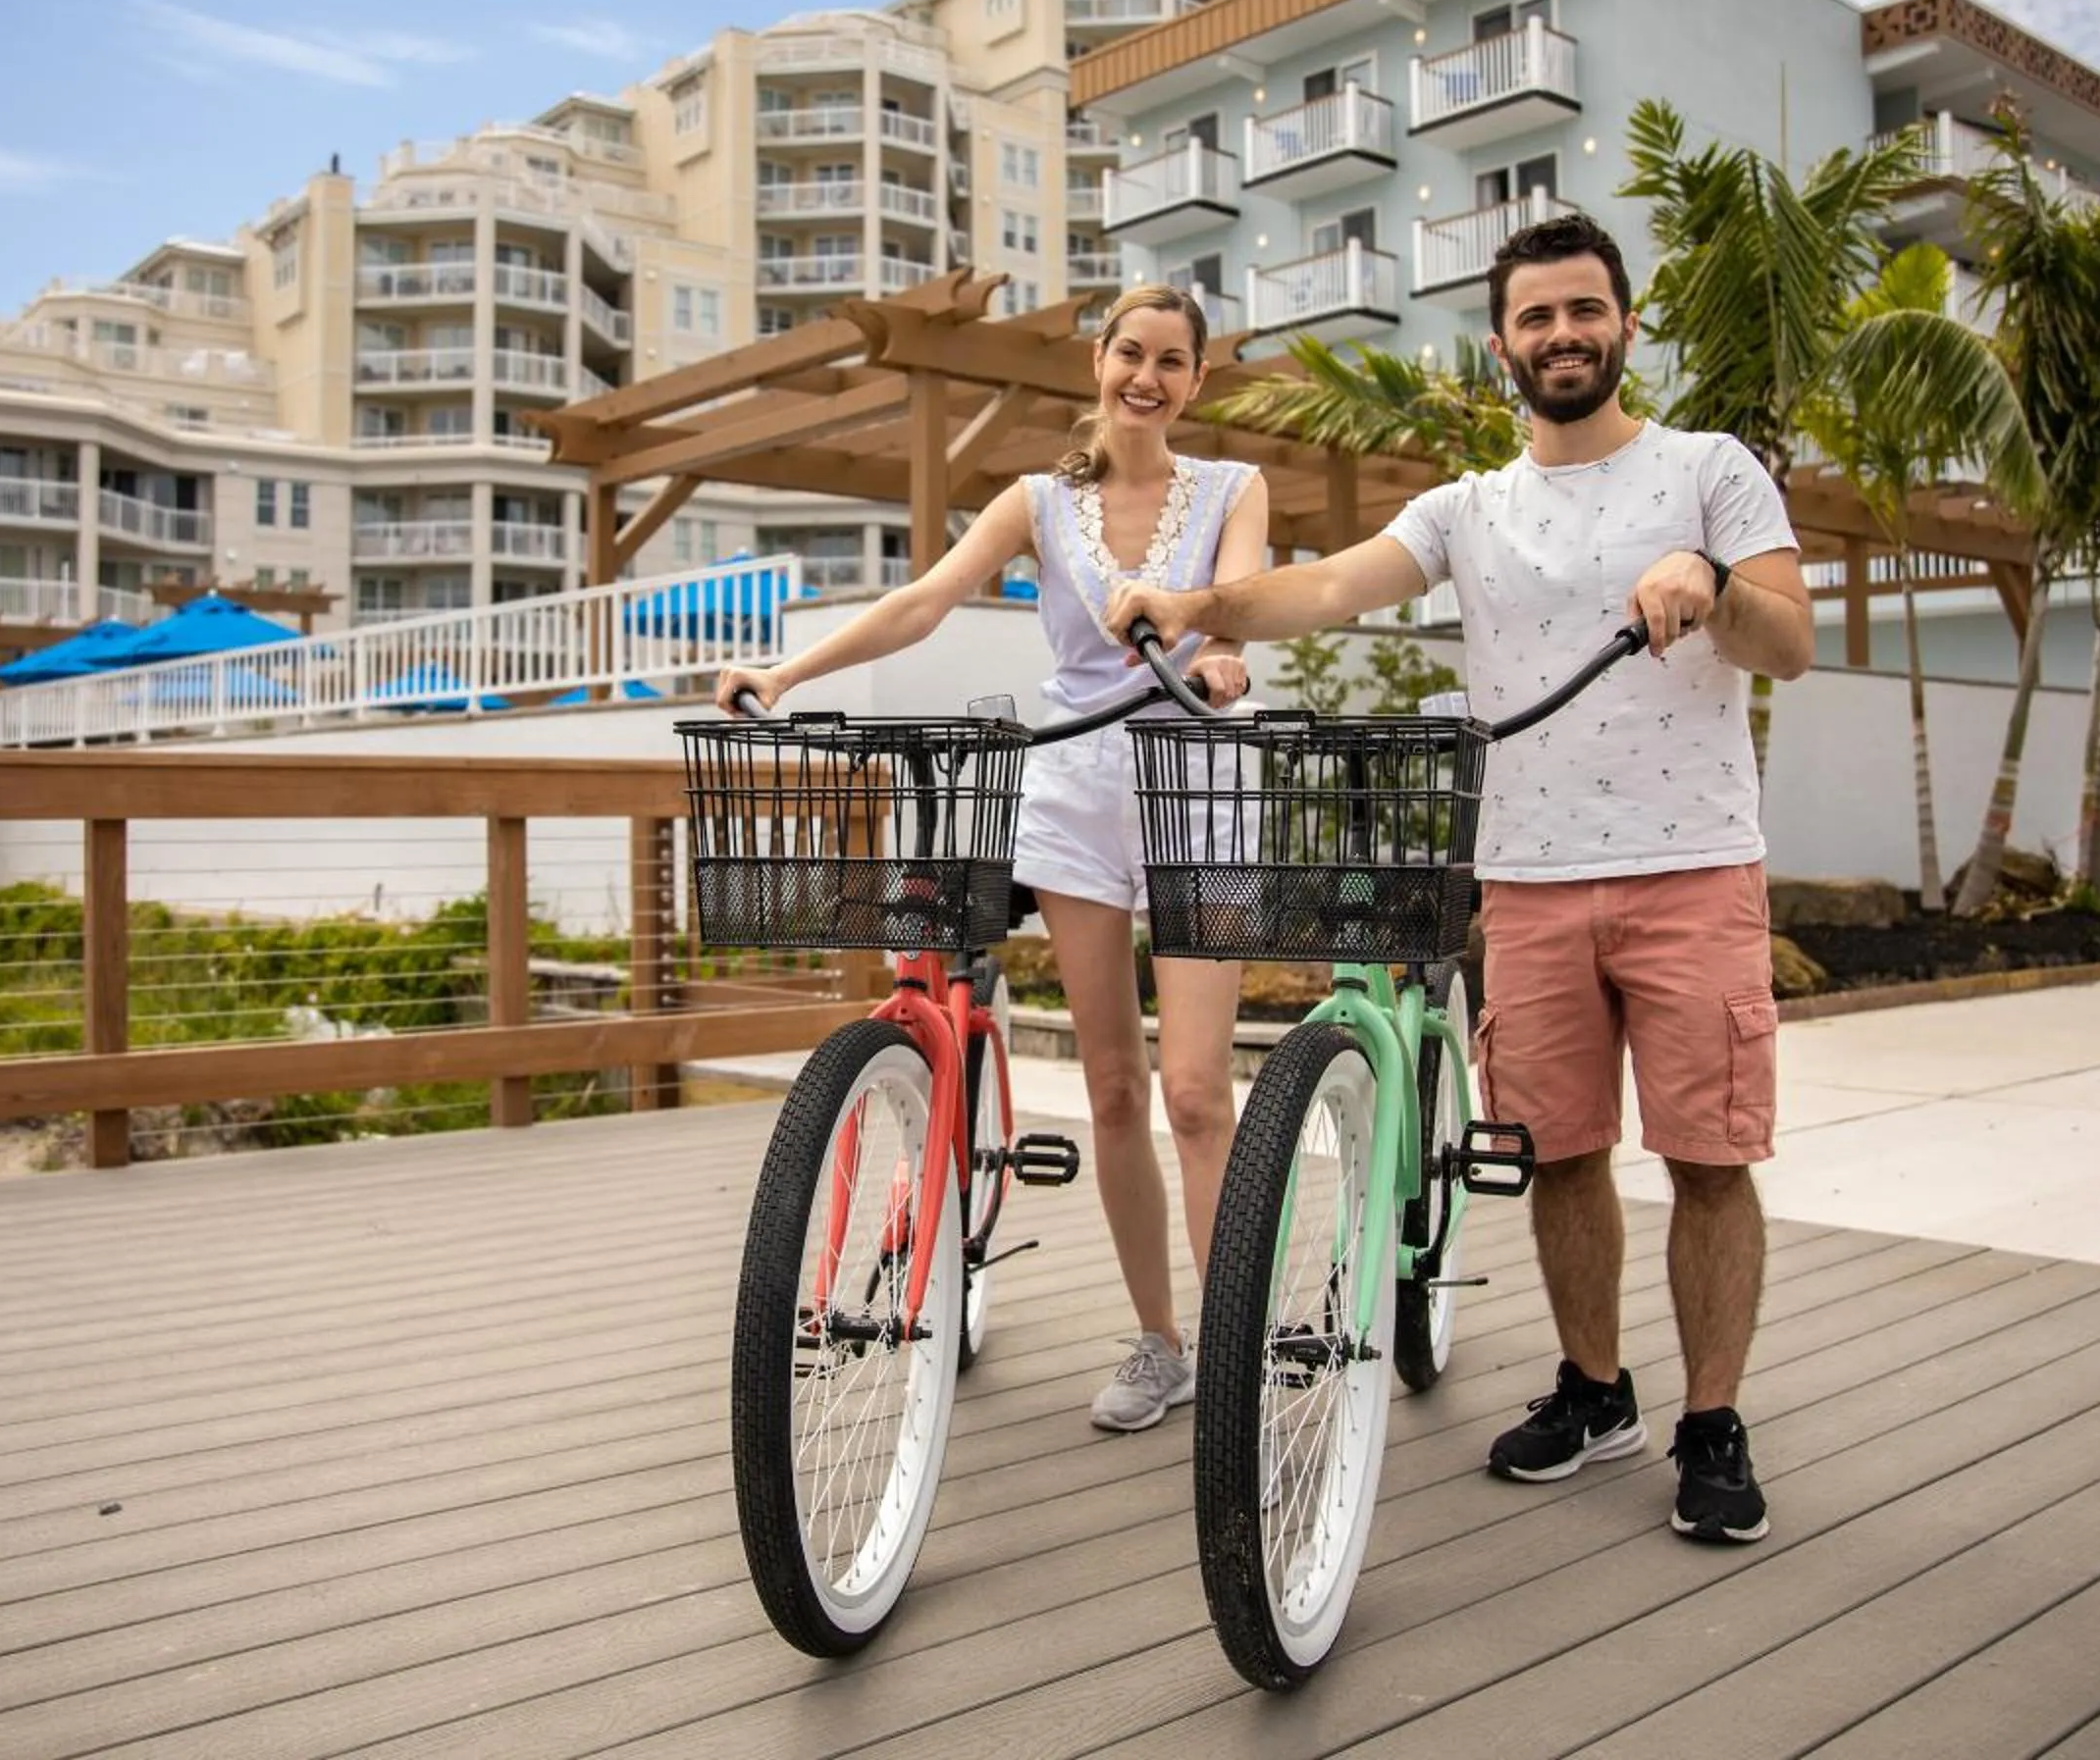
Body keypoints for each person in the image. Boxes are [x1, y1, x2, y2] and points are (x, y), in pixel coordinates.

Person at [1104, 213, 1812, 1543]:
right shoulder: (1469, 508)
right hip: (1528, 876)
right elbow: (1321, 591)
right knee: (1559, 1155)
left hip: (1692, 868)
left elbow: (1790, 642)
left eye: (1583, 311)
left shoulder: (1711, 472)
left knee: (1711, 1160)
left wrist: (1709, 581)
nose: (1562, 335)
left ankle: (1711, 1422)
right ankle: (1594, 1391)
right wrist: (1198, 607)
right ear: (1504, 344)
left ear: (1625, 327)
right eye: (1537, 317)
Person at [718, 285, 1271, 1433]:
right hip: (1073, 792)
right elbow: (924, 600)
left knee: (1197, 1091)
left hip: (1200, 789)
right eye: (1131, 353)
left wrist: (1221, 659)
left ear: (1197, 381)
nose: (1147, 379)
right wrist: (785, 676)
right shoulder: (1038, 500)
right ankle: (1162, 1342)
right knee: (1115, 1088)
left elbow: (1243, 606)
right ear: (1098, 360)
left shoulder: (1232, 489)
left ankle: (1233, 1351)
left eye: (1173, 361)